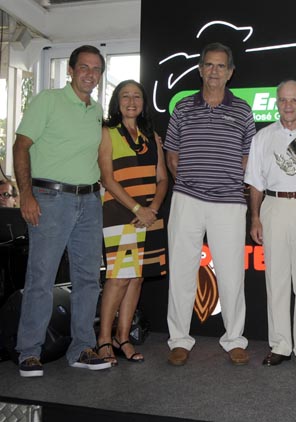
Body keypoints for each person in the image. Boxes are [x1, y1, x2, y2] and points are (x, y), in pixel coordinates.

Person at [13, 45, 111, 377]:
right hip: (50, 199)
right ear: (70, 70)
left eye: (96, 69)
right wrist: (25, 193)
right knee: (41, 278)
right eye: (83, 67)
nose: (90, 73)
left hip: (89, 201)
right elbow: (21, 145)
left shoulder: (96, 110)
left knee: (87, 279)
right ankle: (29, 351)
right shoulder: (48, 100)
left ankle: (82, 347)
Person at [164, 42, 255, 366]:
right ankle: (179, 339)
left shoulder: (243, 110)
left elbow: (248, 158)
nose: (214, 71)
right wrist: (193, 181)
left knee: (231, 275)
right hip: (187, 199)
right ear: (200, 69)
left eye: (221, 66)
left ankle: (234, 340)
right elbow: (172, 156)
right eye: (209, 65)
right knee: (182, 272)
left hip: (229, 203)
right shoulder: (183, 108)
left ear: (230, 73)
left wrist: (222, 181)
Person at [245, 80, 296, 369]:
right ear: (276, 103)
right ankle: (280, 345)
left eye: (293, 100)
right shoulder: (262, 137)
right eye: (282, 100)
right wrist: (255, 216)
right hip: (274, 206)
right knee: (276, 280)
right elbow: (255, 181)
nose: (288, 105)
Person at [96, 80, 168, 365]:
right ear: (117, 101)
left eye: (136, 96)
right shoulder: (107, 133)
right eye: (125, 96)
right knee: (118, 278)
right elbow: (107, 178)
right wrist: (139, 207)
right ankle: (103, 338)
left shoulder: (152, 136)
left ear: (143, 102)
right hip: (120, 213)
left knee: (136, 277)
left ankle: (122, 337)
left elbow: (162, 178)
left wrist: (153, 208)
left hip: (149, 215)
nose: (131, 101)